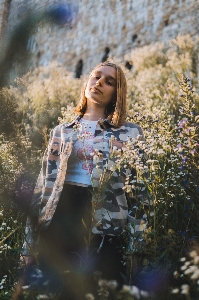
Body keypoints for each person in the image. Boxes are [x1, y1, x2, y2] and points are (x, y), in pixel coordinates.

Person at [21, 61, 145, 299]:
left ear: (116, 94)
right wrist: (29, 245)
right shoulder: (61, 131)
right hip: (60, 220)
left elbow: (140, 196)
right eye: (96, 76)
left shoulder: (130, 133)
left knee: (95, 291)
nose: (99, 82)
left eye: (109, 81)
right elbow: (42, 188)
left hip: (105, 225)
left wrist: (136, 250)